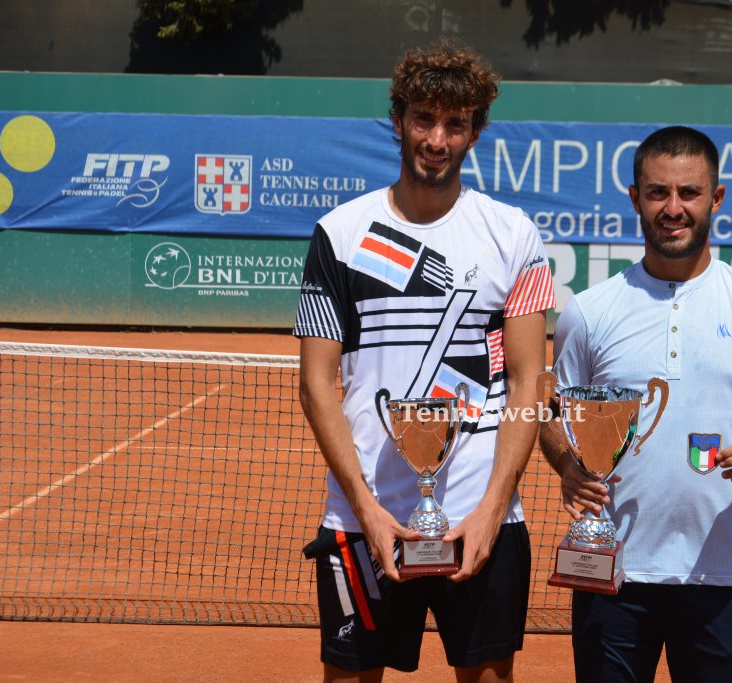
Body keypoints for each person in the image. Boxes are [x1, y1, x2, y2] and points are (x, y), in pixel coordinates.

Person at [295, 40, 554, 682]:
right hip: (364, 520)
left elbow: (527, 381)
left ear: (475, 132)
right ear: (398, 120)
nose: (437, 139)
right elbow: (316, 384)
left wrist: (493, 509)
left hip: (479, 515)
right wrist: (367, 512)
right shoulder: (340, 234)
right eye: (423, 120)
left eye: (455, 123)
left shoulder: (513, 235)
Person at [539, 125, 732, 683]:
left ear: (715, 198)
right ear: (635, 198)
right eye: (658, 193)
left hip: (724, 578)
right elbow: (552, 413)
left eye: (689, 193)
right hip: (612, 573)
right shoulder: (589, 311)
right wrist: (568, 464)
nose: (674, 208)